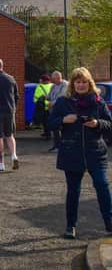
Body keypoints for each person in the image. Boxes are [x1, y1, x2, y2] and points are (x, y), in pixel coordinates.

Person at [48, 67, 112, 239]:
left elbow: (109, 125)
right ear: (73, 84)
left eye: (84, 82)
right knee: (73, 191)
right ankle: (71, 226)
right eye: (78, 82)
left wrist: (97, 123)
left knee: (102, 185)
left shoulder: (98, 102)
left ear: (89, 83)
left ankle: (110, 223)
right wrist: (63, 119)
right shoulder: (63, 102)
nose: (81, 85)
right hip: (72, 151)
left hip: (95, 152)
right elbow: (50, 123)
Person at [48, 70, 68, 151]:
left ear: (59, 77)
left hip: (62, 110)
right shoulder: (53, 86)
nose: (52, 80)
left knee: (60, 128)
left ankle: (60, 146)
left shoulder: (65, 85)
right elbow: (49, 95)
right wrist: (45, 97)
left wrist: (53, 103)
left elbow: (62, 96)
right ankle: (56, 145)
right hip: (53, 110)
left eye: (54, 79)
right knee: (55, 128)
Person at [34, 74, 54, 150]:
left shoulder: (39, 86)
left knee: (44, 121)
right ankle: (47, 133)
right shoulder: (53, 86)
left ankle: (47, 134)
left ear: (42, 80)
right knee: (48, 121)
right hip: (51, 106)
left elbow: (36, 98)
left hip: (43, 107)